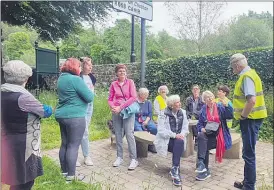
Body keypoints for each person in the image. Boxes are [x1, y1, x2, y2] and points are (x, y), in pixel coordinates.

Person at [1, 60, 53, 190]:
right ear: (25, 78)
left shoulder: (3, 92)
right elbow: (45, 111)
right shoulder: (23, 97)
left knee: (15, 178)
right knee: (25, 182)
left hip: (7, 140)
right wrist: (49, 107)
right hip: (24, 146)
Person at [230, 53, 267, 190]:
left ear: (238, 65)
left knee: (248, 154)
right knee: (248, 152)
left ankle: (249, 186)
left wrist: (244, 116)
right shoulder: (252, 74)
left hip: (250, 120)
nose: (233, 70)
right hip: (253, 119)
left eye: (233, 67)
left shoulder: (246, 77)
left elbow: (251, 100)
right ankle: (247, 182)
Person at [55, 58, 94, 182]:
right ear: (74, 67)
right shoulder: (76, 79)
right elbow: (89, 97)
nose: (80, 68)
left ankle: (64, 172)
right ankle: (71, 177)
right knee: (73, 146)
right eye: (79, 66)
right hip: (75, 117)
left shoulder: (61, 78)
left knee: (65, 144)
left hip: (61, 115)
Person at [195, 90, 233, 181]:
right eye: (208, 99)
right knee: (201, 136)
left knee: (203, 144)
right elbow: (199, 124)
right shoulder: (204, 108)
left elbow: (230, 115)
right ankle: (202, 165)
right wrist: (202, 129)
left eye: (211, 97)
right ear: (204, 101)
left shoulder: (220, 106)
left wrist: (227, 106)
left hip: (219, 134)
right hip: (208, 133)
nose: (210, 100)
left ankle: (203, 168)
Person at [108, 64, 138, 170]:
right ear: (116, 73)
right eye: (120, 71)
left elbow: (133, 97)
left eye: (124, 71)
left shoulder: (130, 82)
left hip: (128, 111)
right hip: (116, 112)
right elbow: (110, 99)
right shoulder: (113, 84)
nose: (122, 72)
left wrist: (120, 107)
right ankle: (119, 157)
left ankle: (134, 159)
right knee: (118, 134)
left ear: (126, 72)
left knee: (129, 134)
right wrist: (113, 107)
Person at [154, 95, 189, 186]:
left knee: (180, 142)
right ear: (172, 105)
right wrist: (174, 135)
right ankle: (175, 170)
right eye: (177, 102)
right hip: (166, 140)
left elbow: (185, 127)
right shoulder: (163, 113)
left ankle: (174, 169)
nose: (179, 103)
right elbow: (161, 130)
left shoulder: (183, 112)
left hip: (178, 140)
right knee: (179, 142)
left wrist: (181, 134)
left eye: (179, 101)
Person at [76, 57, 96, 167]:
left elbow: (92, 90)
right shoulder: (78, 77)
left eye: (91, 65)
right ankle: (85, 156)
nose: (91, 67)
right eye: (88, 65)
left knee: (84, 131)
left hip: (90, 107)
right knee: (84, 131)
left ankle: (85, 156)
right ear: (83, 65)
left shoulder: (92, 77)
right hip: (81, 106)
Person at [134, 87, 157, 153]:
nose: (147, 96)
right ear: (140, 95)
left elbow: (150, 113)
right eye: (145, 94)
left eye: (147, 94)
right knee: (140, 131)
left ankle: (150, 145)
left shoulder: (148, 102)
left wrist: (146, 121)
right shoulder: (134, 102)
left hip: (147, 118)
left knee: (153, 128)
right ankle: (141, 148)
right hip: (136, 119)